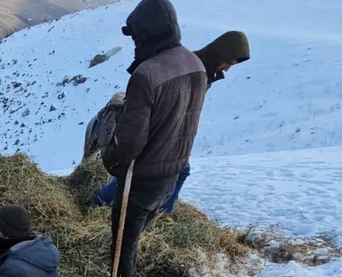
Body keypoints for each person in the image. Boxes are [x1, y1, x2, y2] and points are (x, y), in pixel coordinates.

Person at [103, 0, 208, 277]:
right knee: (138, 231)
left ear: (147, 32)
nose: (134, 43)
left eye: (136, 36)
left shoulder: (146, 74)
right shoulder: (195, 64)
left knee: (123, 244)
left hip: (143, 177)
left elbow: (130, 141)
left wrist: (110, 158)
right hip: (172, 172)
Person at [90, 30, 250, 211]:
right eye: (228, 62)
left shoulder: (203, 70)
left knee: (165, 170)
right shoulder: (195, 68)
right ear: (220, 52)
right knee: (156, 170)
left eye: (232, 65)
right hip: (161, 127)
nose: (228, 68)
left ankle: (117, 204)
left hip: (171, 129)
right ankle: (152, 210)